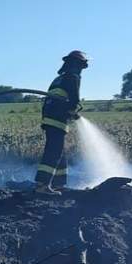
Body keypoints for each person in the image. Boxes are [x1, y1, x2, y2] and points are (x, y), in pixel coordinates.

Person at [34, 50, 89, 195]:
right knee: (53, 152)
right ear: (78, 65)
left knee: (59, 152)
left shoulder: (58, 79)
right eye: (82, 66)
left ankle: (59, 184)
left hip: (49, 118)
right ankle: (42, 185)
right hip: (57, 120)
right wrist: (73, 112)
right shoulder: (73, 77)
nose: (81, 70)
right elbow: (74, 101)